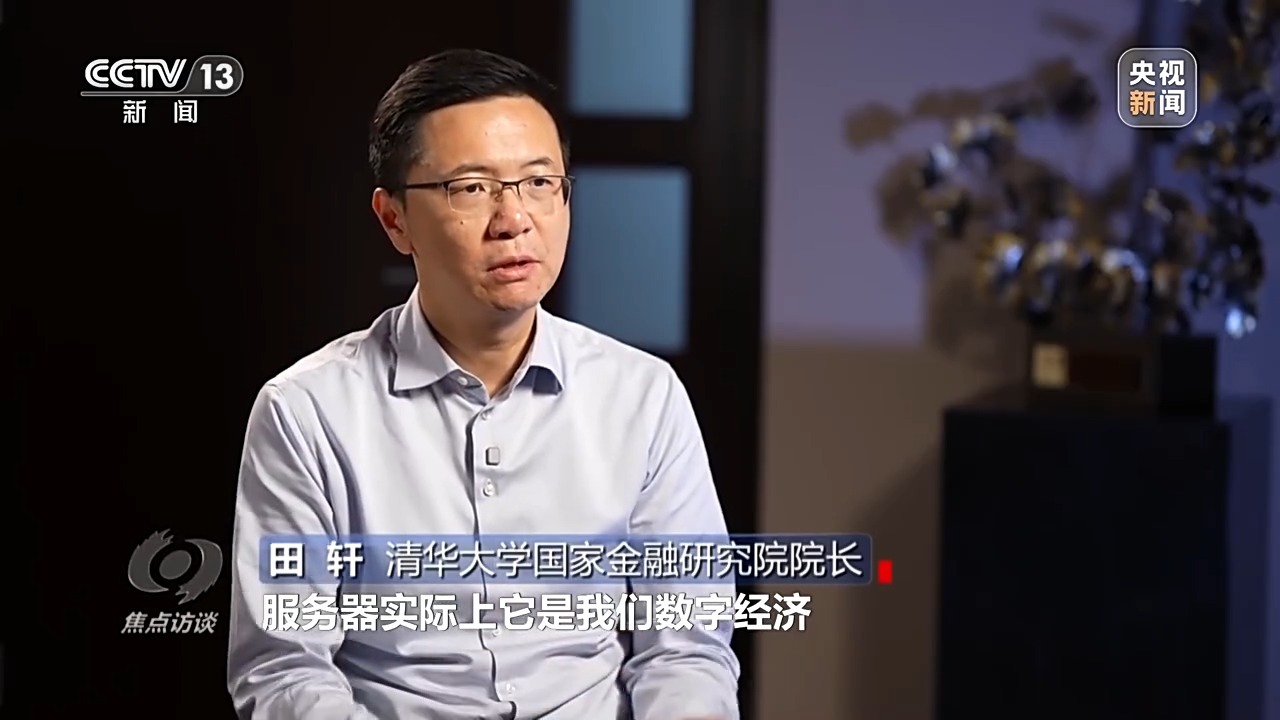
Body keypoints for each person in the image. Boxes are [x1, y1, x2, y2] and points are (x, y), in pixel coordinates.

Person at [226, 49, 739, 720]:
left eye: (539, 182)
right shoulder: (306, 412)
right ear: (394, 219)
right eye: (470, 188)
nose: (514, 218)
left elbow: (687, 648)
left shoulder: (643, 397)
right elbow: (286, 668)